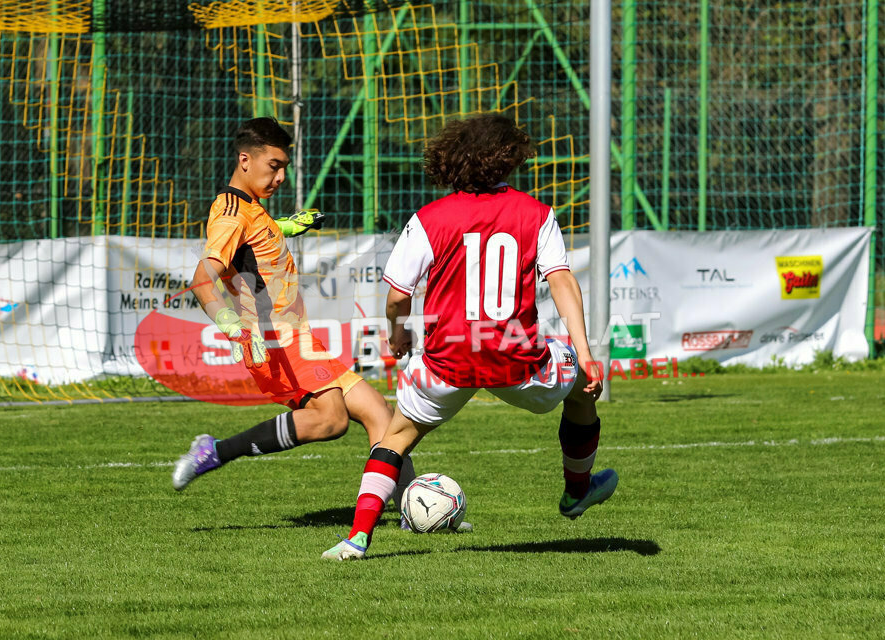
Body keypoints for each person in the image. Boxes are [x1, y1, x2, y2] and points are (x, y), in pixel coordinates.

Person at [322, 114, 617, 561]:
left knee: (396, 438)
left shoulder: (429, 218)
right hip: (517, 360)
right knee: (580, 392)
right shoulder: (536, 213)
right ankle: (577, 490)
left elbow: (397, 296)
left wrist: (399, 334)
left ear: (453, 158)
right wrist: (584, 352)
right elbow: (561, 281)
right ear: (509, 158)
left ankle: (357, 538)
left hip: (447, 360)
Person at [171, 117, 418, 507]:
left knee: (379, 415)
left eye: (285, 167)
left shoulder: (251, 208)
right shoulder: (233, 213)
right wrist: (232, 327)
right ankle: (214, 451)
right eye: (274, 166)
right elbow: (203, 279)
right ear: (245, 160)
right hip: (272, 343)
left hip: (297, 338)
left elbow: (253, 240)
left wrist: (283, 226)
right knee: (331, 419)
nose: (282, 176)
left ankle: (412, 508)